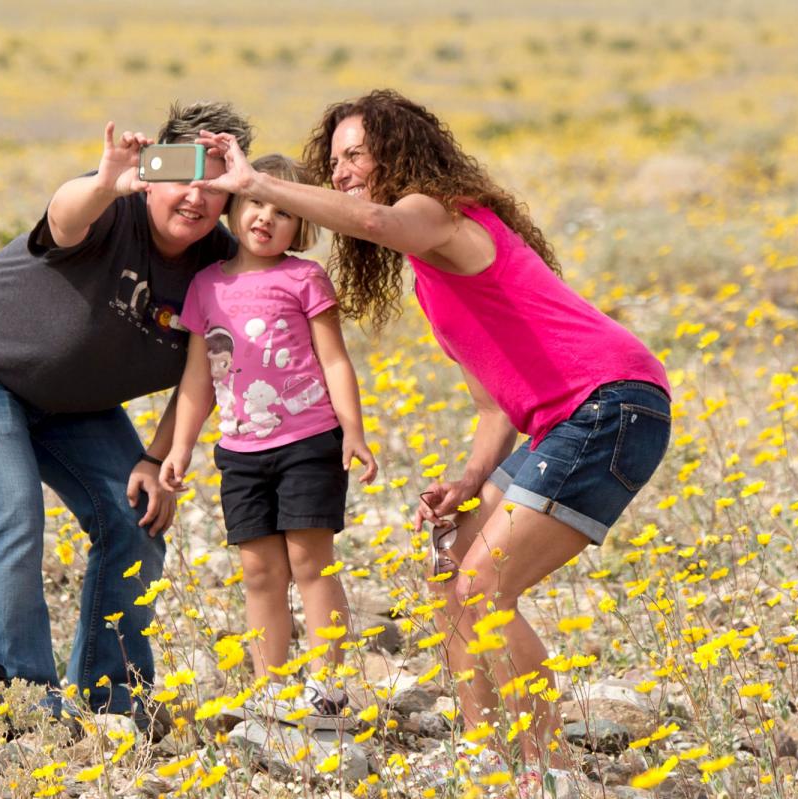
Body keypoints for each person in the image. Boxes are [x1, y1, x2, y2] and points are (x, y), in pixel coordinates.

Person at [196, 91, 671, 796]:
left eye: (356, 153)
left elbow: (373, 218)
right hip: (572, 419)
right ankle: (485, 751)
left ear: (399, 151)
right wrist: (472, 477)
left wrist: (254, 182)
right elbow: (492, 405)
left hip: (611, 404)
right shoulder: (430, 275)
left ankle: (549, 772)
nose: (345, 171)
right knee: (449, 572)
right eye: (336, 162)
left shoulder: (436, 214)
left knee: (486, 586)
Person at [0, 101, 253, 727]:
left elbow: (204, 371)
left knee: (136, 518)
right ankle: (19, 708)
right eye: (182, 173)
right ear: (152, 169)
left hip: (69, 403)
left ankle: (112, 697)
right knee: (9, 513)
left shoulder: (222, 266)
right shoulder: (110, 208)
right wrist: (103, 180)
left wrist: (156, 457)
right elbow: (63, 218)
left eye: (215, 182)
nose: (196, 196)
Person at [158, 154, 378, 727]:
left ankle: (328, 690)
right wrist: (179, 447)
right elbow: (198, 377)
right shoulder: (206, 286)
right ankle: (270, 689)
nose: (266, 218)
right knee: (259, 573)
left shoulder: (305, 277)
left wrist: (352, 431)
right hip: (240, 454)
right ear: (234, 204)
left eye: (284, 211)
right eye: (256, 202)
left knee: (312, 564)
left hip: (309, 442)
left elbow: (334, 360)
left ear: (301, 225)